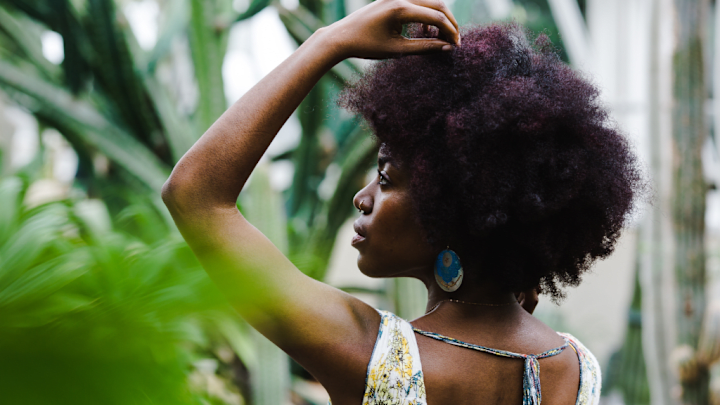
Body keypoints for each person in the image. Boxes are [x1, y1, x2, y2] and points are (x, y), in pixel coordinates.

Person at [161, 0, 643, 403]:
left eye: (386, 179)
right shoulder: (578, 370)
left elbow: (196, 196)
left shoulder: (376, 357)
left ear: (451, 210)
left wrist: (330, 41)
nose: (362, 197)